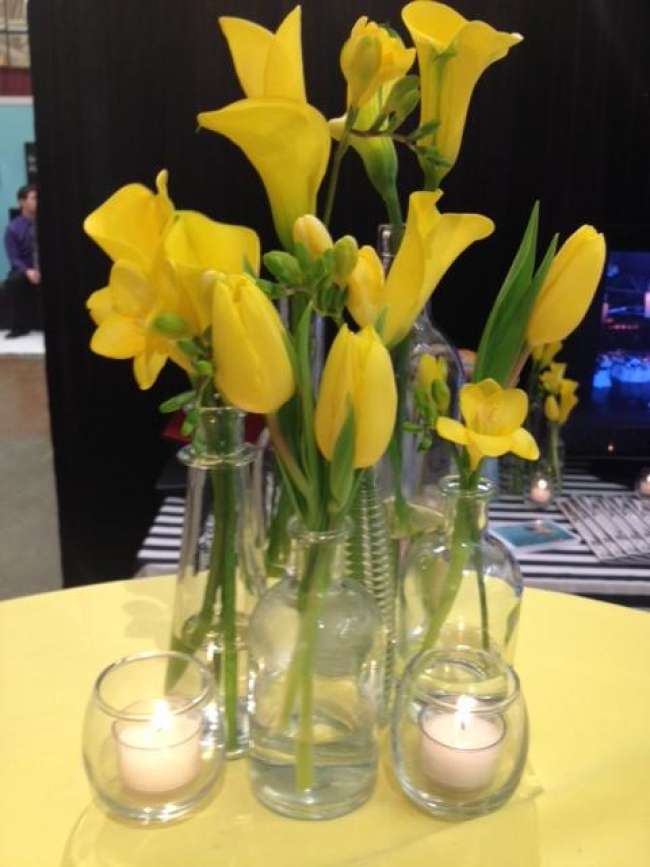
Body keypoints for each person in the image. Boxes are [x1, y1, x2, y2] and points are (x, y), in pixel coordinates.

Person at [3, 185, 41, 338]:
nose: (38, 201)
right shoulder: (12, 228)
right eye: (34, 198)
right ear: (22, 202)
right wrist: (28, 271)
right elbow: (14, 258)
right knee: (14, 281)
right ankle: (20, 327)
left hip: (45, 267)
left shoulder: (50, 223)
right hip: (25, 269)